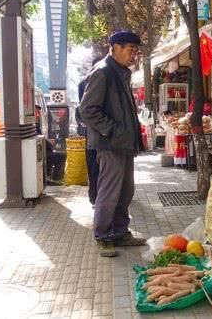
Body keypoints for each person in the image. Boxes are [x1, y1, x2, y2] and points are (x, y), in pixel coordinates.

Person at [79, 30, 147, 257]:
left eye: (136, 50)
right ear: (114, 48)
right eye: (130, 49)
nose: (134, 55)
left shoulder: (121, 73)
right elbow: (87, 110)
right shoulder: (103, 72)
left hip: (124, 144)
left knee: (125, 191)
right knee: (109, 192)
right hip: (110, 145)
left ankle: (120, 232)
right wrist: (113, 131)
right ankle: (103, 235)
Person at [77, 55, 104, 205]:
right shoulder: (101, 79)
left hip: (91, 132)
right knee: (102, 168)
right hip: (101, 132)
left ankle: (94, 197)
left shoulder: (83, 82)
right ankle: (99, 198)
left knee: (93, 167)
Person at [35, 105, 66, 184]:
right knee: (60, 156)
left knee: (59, 155)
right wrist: (50, 144)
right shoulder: (32, 125)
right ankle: (55, 179)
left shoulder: (37, 124)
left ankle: (54, 178)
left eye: (38, 113)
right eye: (36, 113)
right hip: (38, 152)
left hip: (42, 149)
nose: (38, 115)